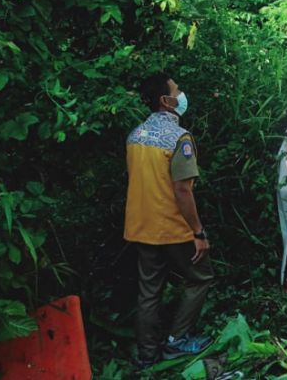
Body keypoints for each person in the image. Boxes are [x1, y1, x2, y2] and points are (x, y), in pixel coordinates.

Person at [125, 73, 214, 368]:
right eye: (177, 91)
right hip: (173, 227)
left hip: (140, 226)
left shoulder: (135, 136)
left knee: (149, 292)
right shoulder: (179, 138)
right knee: (200, 277)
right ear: (166, 101)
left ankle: (147, 357)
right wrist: (198, 232)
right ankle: (177, 341)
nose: (182, 95)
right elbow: (182, 189)